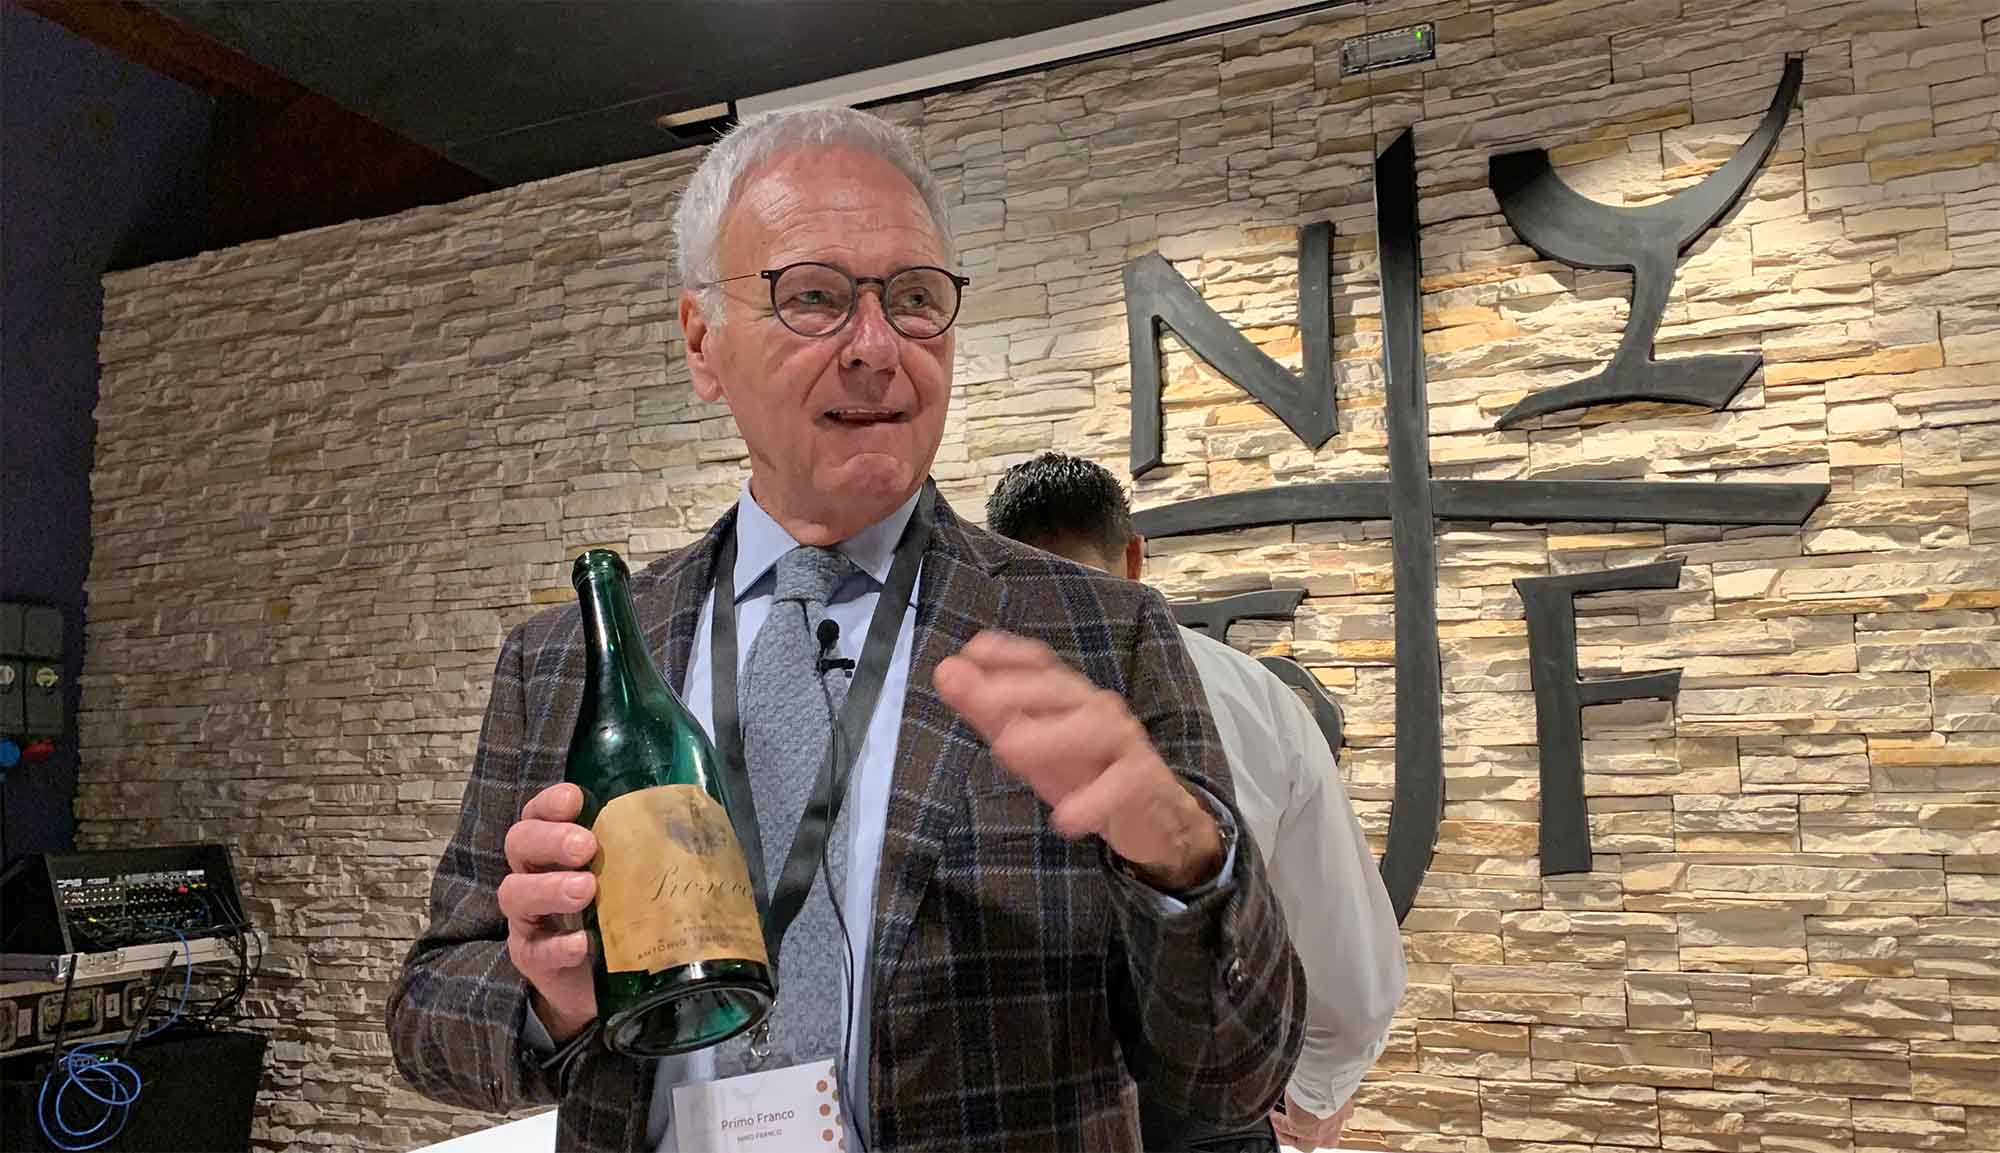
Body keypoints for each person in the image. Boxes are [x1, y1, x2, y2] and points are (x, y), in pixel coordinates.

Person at [386, 107, 1304, 1153]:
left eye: (913, 299)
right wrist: (552, 996)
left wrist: (1183, 862)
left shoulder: (1101, 630)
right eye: (813, 296)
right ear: (701, 342)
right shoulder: (566, 661)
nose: (875, 347)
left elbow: (1235, 1074)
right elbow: (428, 1015)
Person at [987, 452, 1407, 1153]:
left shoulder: (947, 696)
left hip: (1010, 1108)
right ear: (1134, 556)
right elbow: (1350, 964)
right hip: (1208, 1103)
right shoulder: (1255, 697)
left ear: (996, 567)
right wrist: (1316, 1094)